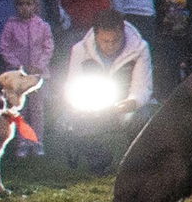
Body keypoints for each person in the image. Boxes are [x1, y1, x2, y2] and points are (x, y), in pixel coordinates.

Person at [59, 9, 155, 169]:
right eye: (105, 41)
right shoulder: (80, 50)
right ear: (96, 35)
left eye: (115, 40)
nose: (110, 45)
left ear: (123, 33)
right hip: (91, 106)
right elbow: (71, 85)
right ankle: (99, 158)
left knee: (141, 118)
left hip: (125, 105)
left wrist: (132, 102)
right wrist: (80, 104)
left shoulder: (139, 49)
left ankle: (136, 162)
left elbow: (143, 87)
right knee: (66, 122)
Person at [0, 0, 55, 154]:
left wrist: (39, 65)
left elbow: (48, 47)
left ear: (35, 5)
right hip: (17, 76)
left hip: (37, 74)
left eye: (28, 4)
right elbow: (4, 47)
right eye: (21, 4)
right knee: (20, 109)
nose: (25, 8)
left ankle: (37, 141)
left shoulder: (42, 25)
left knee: (37, 109)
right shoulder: (11, 25)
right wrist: (18, 66)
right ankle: (22, 142)